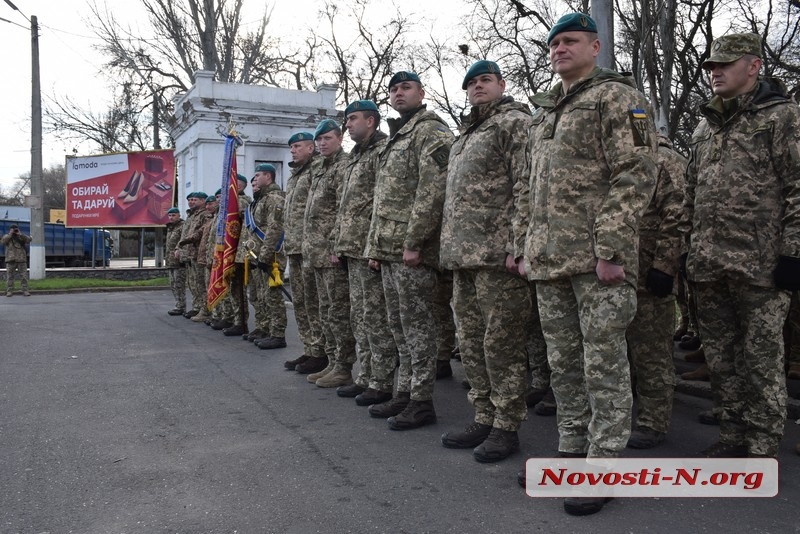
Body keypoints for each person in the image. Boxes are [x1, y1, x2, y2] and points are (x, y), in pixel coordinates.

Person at [513, 13, 657, 516]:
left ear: (596, 46)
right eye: (553, 43)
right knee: (565, 364)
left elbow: (636, 172)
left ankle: (604, 463)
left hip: (597, 262)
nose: (559, 49)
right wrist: (527, 247)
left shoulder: (619, 97)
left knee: (603, 364)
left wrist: (611, 248)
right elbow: (530, 190)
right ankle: (572, 448)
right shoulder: (546, 110)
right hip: (551, 260)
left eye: (570, 41)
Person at [682, 32, 800, 458]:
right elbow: (690, 194)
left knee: (762, 359)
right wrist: (684, 248)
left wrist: (793, 252)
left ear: (753, 66)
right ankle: (732, 435)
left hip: (761, 265)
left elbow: (798, 187)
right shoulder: (704, 126)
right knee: (721, 357)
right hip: (708, 264)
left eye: (724, 64)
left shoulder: (783, 117)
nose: (715, 72)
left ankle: (762, 445)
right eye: (711, 66)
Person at [438, 60, 533, 462]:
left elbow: (526, 184)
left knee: (501, 344)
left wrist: (519, 244)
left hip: (498, 258)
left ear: (501, 84)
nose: (478, 87)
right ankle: (484, 415)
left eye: (485, 80)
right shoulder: (464, 136)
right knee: (472, 342)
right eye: (472, 83)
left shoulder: (514, 123)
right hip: (464, 255)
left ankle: (507, 425)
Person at [364, 71, 455, 429]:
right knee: (398, 326)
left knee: (418, 328)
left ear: (421, 93)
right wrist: (374, 246)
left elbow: (432, 192)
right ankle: (404, 393)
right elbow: (381, 201)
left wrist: (415, 242)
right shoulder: (396, 137)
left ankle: (422, 400)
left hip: (410, 250)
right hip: (388, 250)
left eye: (406, 87)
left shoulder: (430, 130)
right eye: (394, 89)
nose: (399, 93)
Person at [333, 99, 396, 405]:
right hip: (353, 248)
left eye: (353, 119)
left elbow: (381, 202)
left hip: (369, 248)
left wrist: (375, 246)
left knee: (376, 317)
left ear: (370, 121)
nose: (348, 124)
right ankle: (366, 375)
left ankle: (382, 380)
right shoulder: (355, 157)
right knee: (360, 317)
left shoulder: (382, 151)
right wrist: (339, 243)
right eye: (347, 119)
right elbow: (345, 207)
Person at [625, 134, 685, 449]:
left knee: (652, 354)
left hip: (650, 274)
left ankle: (653, 421)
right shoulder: (618, 156)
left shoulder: (665, 158)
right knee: (619, 353)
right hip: (617, 273)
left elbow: (677, 216)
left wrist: (665, 266)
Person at [303, 119, 357, 388]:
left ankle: (344, 366)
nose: (323, 144)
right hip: (316, 253)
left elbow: (343, 209)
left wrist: (337, 245)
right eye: (319, 140)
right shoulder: (319, 170)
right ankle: (333, 361)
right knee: (326, 311)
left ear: (340, 139)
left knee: (338, 311)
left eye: (328, 138)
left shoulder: (343, 166)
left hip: (332, 254)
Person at [282, 132, 328, 374]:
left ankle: (321, 352)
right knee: (300, 301)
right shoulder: (294, 177)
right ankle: (310, 348)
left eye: (298, 146)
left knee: (314, 302)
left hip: (312, 247)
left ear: (311, 148)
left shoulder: (317, 170)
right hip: (295, 247)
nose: (293, 150)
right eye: (291, 147)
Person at [251, 164, 289, 350]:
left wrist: (265, 255)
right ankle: (267, 329)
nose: (255, 179)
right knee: (264, 295)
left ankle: (278, 334)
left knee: (273, 297)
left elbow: (275, 228)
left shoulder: (274, 198)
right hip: (261, 254)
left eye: (258, 175)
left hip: (271, 256)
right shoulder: (262, 198)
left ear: (268, 176)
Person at [222, 175, 253, 336]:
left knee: (239, 289)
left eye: (234, 184)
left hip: (240, 249)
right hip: (232, 250)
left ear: (240, 186)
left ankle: (241, 322)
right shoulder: (229, 203)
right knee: (234, 288)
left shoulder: (243, 201)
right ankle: (237, 320)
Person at [176, 192, 207, 318]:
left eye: (194, 200)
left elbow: (201, 234)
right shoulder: (191, 215)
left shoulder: (204, 215)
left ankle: (204, 309)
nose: (191, 202)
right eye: (189, 200)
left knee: (201, 283)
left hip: (199, 253)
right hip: (189, 254)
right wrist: (179, 248)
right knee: (192, 283)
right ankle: (197, 306)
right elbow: (185, 235)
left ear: (203, 201)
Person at [164, 208, 187, 315]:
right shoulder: (170, 227)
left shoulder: (182, 226)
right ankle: (178, 304)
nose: (171, 217)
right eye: (170, 215)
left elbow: (183, 242)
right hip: (170, 261)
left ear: (179, 215)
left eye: (173, 215)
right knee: (173, 284)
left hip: (179, 261)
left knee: (179, 284)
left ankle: (181, 306)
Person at [2, 224, 32, 297]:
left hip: (21, 259)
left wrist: (20, 234)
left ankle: (25, 290)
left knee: (24, 276)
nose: (15, 231)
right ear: (10, 230)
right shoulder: (7, 237)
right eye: (13, 229)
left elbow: (29, 240)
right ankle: (9, 291)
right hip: (10, 260)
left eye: (16, 229)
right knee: (10, 277)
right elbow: (3, 242)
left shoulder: (21, 237)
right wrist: (10, 234)